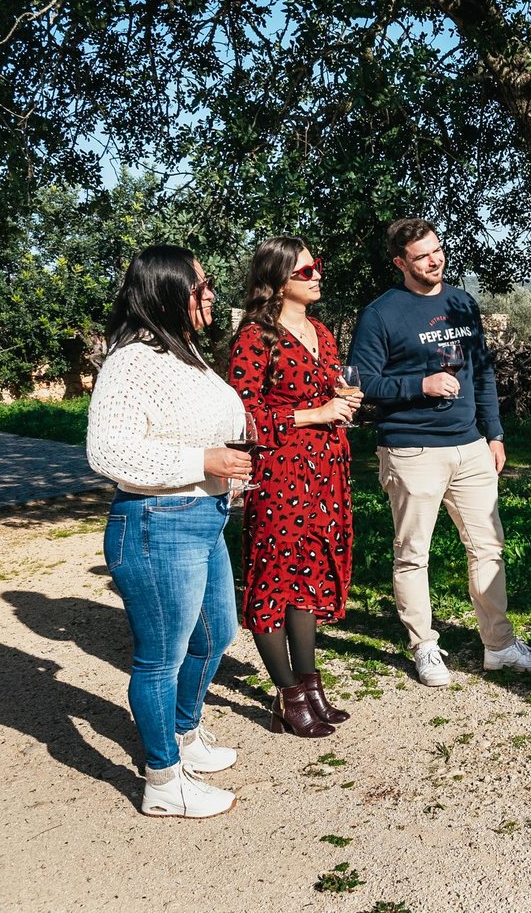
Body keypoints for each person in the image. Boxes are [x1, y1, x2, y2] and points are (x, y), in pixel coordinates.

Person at [348, 217, 531, 686]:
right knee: (413, 553)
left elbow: (482, 372)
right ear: (400, 262)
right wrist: (420, 384)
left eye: (437, 250)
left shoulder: (461, 301)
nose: (434, 260)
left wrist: (494, 434)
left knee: (488, 546)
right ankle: (424, 645)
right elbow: (364, 383)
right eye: (421, 256)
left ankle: (499, 645)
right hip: (411, 450)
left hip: (470, 447)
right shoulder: (381, 314)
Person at [87, 245, 252, 818]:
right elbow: (107, 451)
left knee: (216, 635)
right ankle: (163, 781)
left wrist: (227, 470)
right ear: (165, 291)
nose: (209, 295)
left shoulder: (184, 355)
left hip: (205, 518)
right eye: (199, 286)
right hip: (156, 522)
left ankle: (183, 734)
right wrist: (202, 462)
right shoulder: (131, 360)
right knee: (161, 657)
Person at [228, 236, 358, 737]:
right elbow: (243, 415)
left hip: (324, 469)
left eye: (317, 266)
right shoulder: (255, 336)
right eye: (305, 271)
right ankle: (286, 694)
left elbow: (326, 395)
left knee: (308, 577)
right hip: (280, 473)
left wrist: (342, 401)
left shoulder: (322, 334)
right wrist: (317, 413)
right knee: (272, 581)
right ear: (277, 280)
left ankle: (309, 683)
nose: (316, 275)